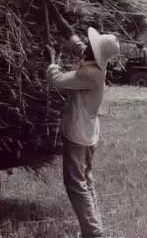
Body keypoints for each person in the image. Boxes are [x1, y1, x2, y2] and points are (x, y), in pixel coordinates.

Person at [47, 27, 120, 238]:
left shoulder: (90, 74)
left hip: (78, 133)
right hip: (88, 133)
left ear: (94, 52)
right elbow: (81, 49)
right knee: (86, 181)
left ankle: (94, 233)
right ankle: (93, 228)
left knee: (75, 183)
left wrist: (52, 58)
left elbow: (58, 80)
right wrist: (68, 32)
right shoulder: (96, 64)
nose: (87, 45)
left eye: (91, 44)